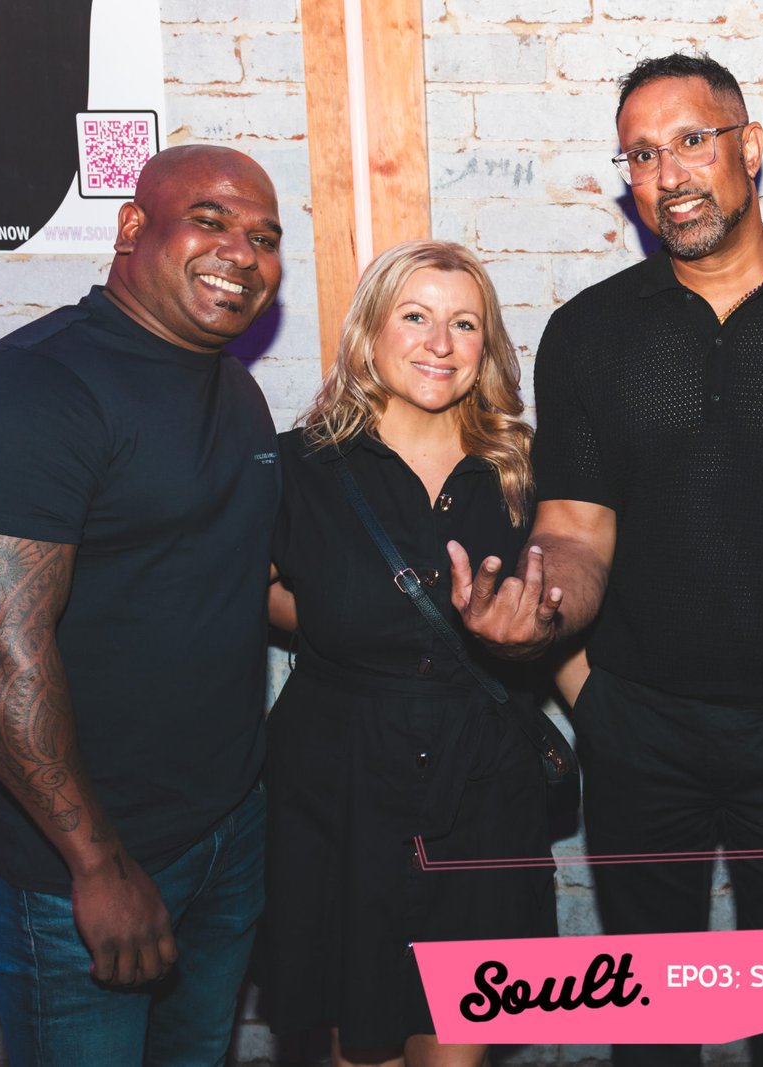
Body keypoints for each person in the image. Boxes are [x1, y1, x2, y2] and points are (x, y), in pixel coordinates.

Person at [455, 53, 763, 1065]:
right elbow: (575, 532)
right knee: (649, 1026)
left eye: (690, 140)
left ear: (750, 147)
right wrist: (539, 607)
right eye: (640, 154)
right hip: (638, 725)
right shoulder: (589, 332)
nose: (667, 173)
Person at [0, 144, 283, 1065]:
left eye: (264, 237)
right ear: (133, 228)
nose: (242, 252)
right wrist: (96, 865)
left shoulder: (235, 389)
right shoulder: (30, 389)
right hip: (88, 868)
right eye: (210, 220)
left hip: (228, 833)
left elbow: (231, 581)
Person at [257, 240, 557, 1067]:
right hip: (341, 789)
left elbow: (561, 612)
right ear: (370, 333)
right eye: (415, 316)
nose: (439, 342)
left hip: (483, 790)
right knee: (364, 1045)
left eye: (464, 323)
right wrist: (341, 621)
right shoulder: (299, 467)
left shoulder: (524, 473)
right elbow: (250, 593)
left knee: (459, 1042)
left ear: (486, 346)